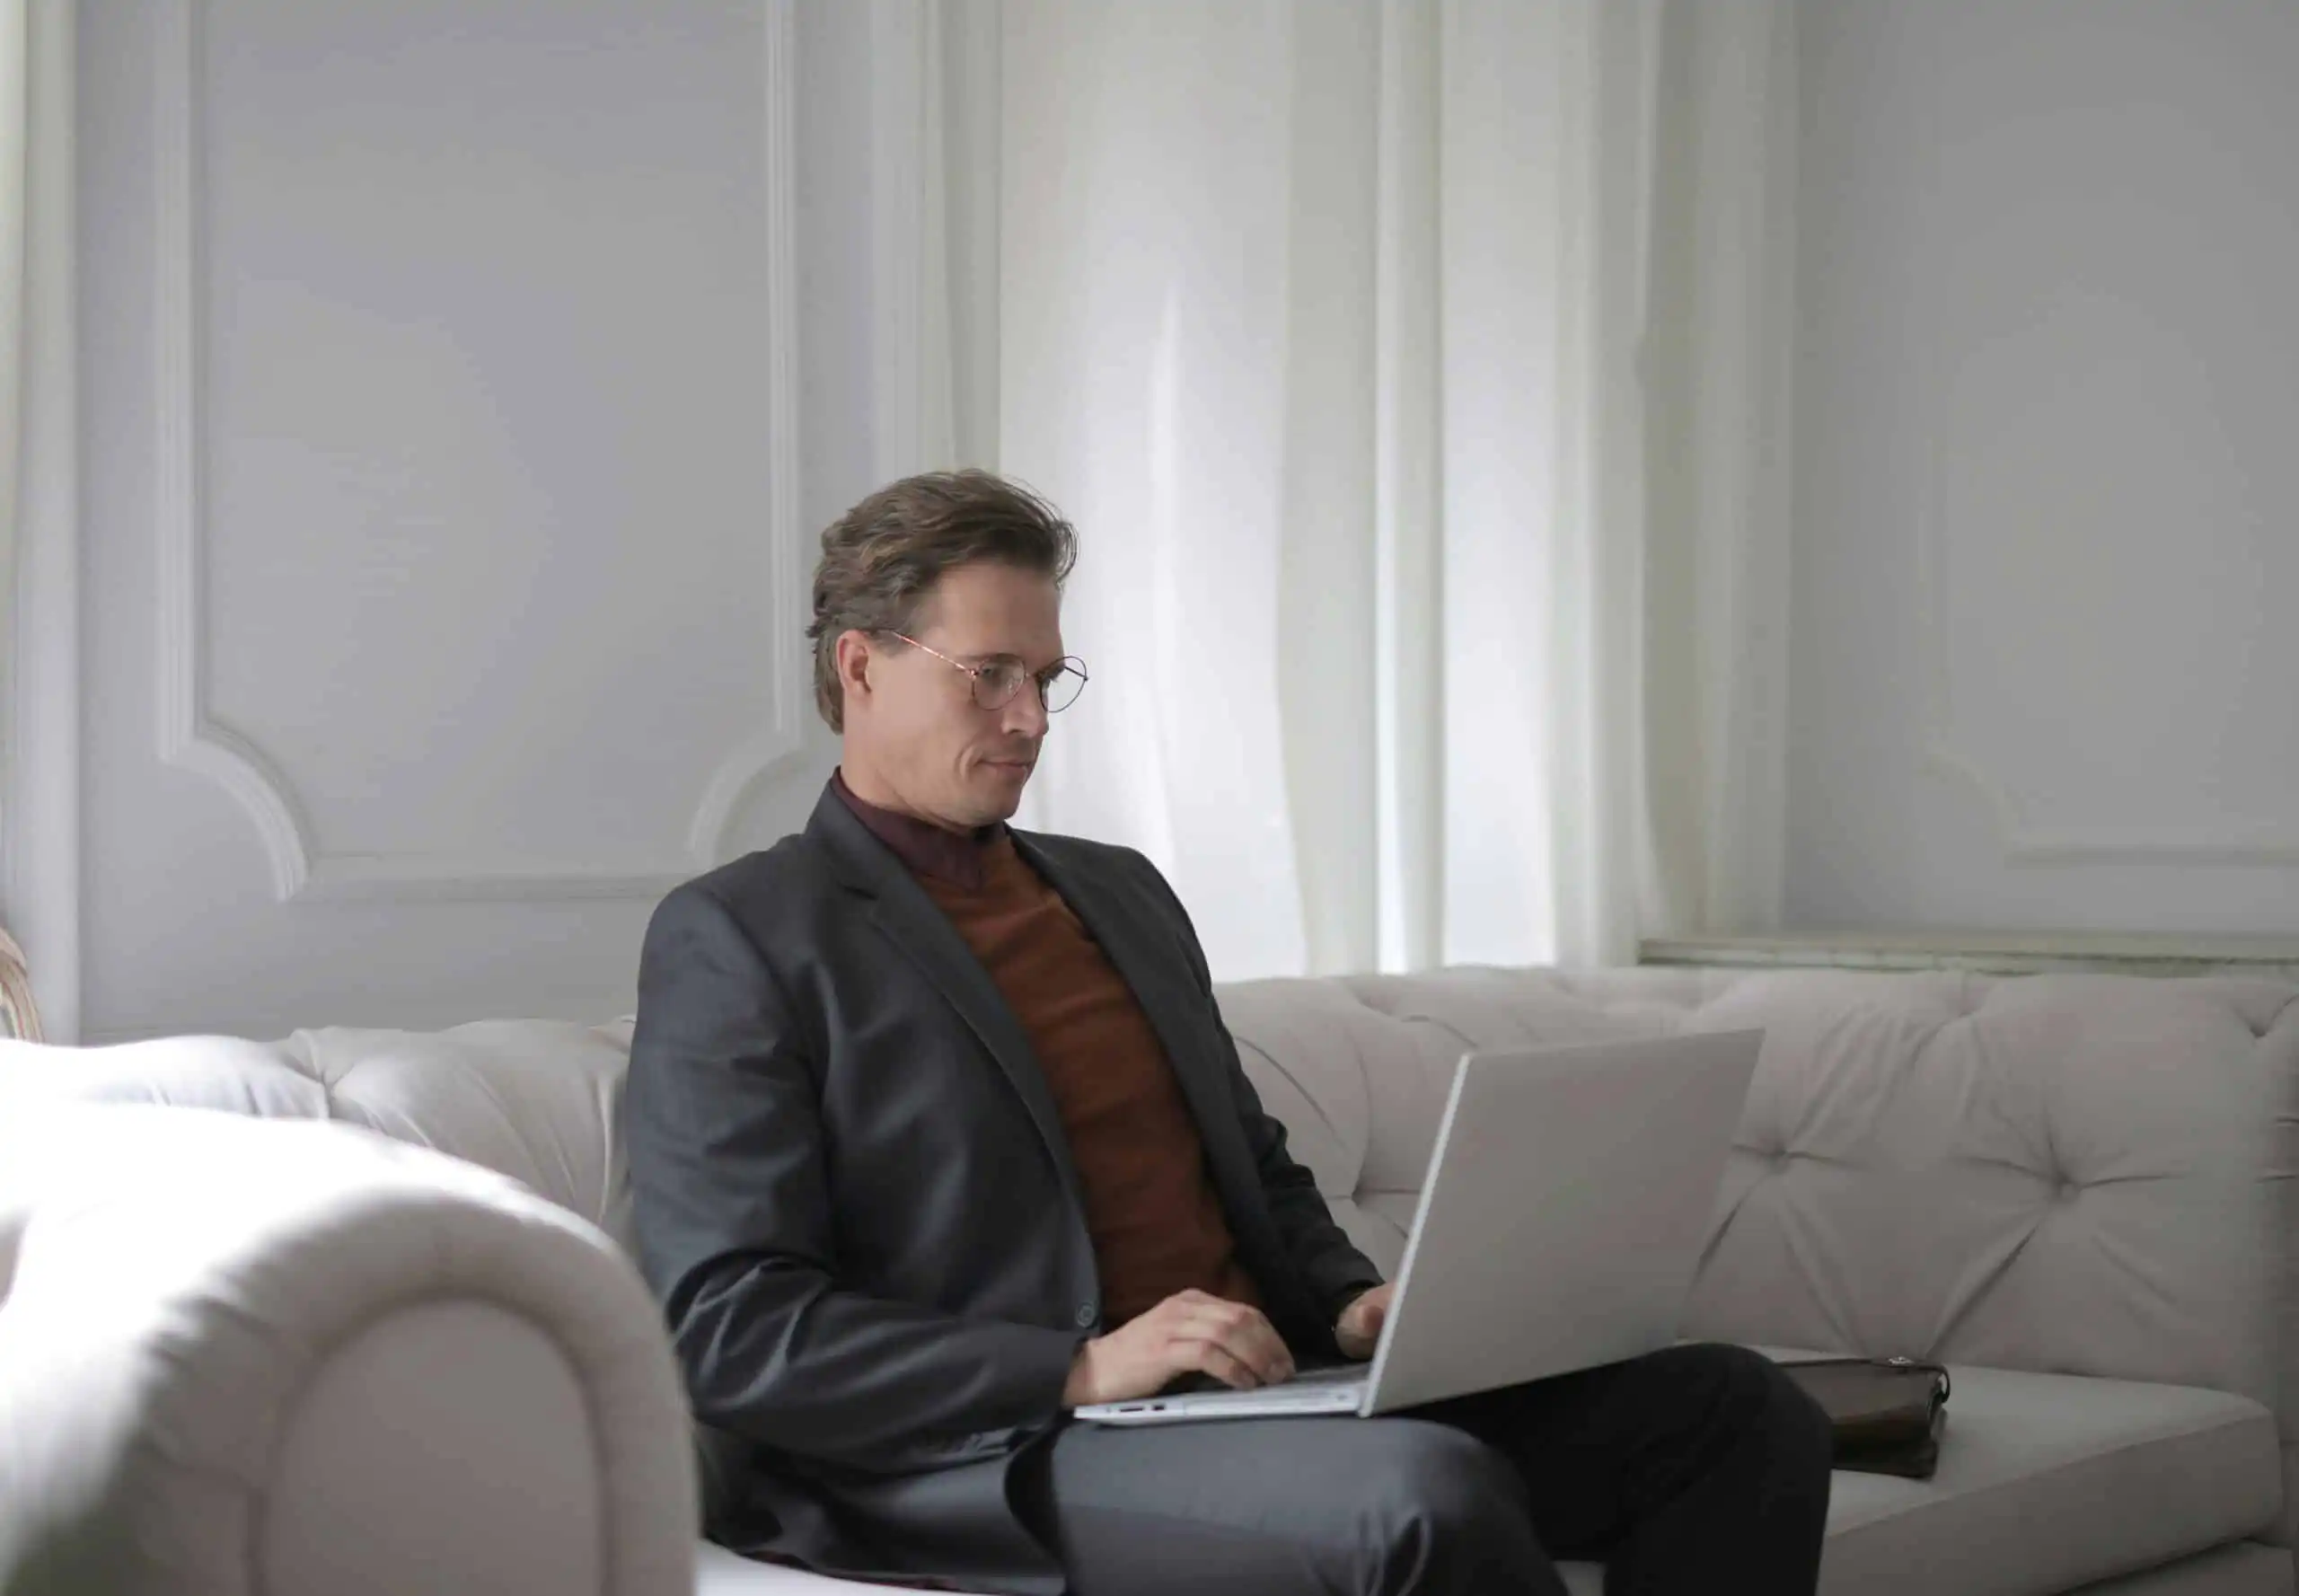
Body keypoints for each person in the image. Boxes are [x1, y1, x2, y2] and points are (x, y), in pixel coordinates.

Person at [625, 469, 1833, 1596]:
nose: (1030, 718)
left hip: (1252, 1394)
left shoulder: (1118, 892)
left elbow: (1246, 1163)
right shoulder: (744, 937)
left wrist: (1355, 1306)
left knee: (1732, 1408)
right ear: (862, 667)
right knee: (1422, 1498)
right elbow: (733, 1328)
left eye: (1047, 678)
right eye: (987, 673)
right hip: (995, 1448)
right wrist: (1077, 1367)